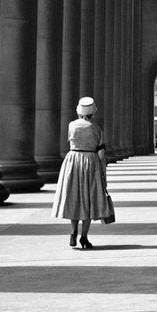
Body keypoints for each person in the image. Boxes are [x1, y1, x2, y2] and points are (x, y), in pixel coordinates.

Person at [51, 96, 110, 249]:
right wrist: (103, 174)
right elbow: (101, 154)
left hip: (73, 160)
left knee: (74, 198)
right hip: (90, 161)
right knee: (89, 200)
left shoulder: (72, 125)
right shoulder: (97, 129)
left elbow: (70, 141)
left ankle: (73, 232)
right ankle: (84, 237)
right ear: (93, 114)